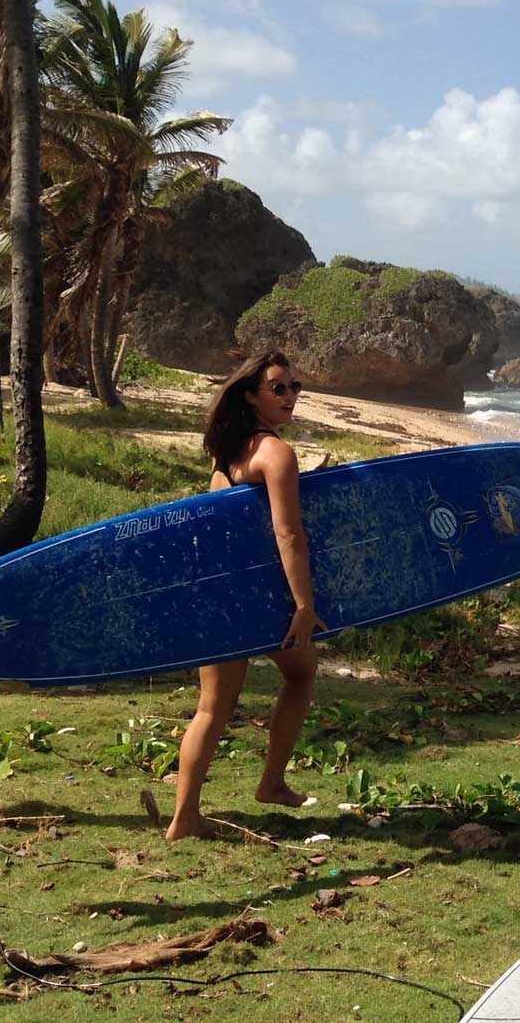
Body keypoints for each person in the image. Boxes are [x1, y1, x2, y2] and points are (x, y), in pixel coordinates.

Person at [165, 350, 328, 841]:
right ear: (252, 396)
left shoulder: (224, 455)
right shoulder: (276, 454)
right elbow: (288, 534)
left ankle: (187, 817)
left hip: (219, 594)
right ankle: (268, 782)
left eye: (295, 387)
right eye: (278, 388)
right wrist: (304, 606)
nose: (290, 396)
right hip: (257, 601)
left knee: (215, 707)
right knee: (297, 677)